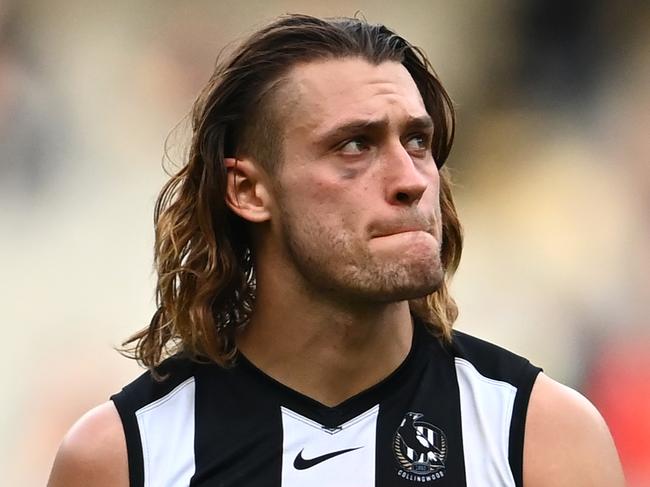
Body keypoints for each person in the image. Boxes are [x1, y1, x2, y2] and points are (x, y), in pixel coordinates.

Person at [48, 14, 625, 487]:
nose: (413, 179)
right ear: (249, 190)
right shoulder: (124, 457)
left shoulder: (539, 436)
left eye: (417, 141)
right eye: (355, 145)